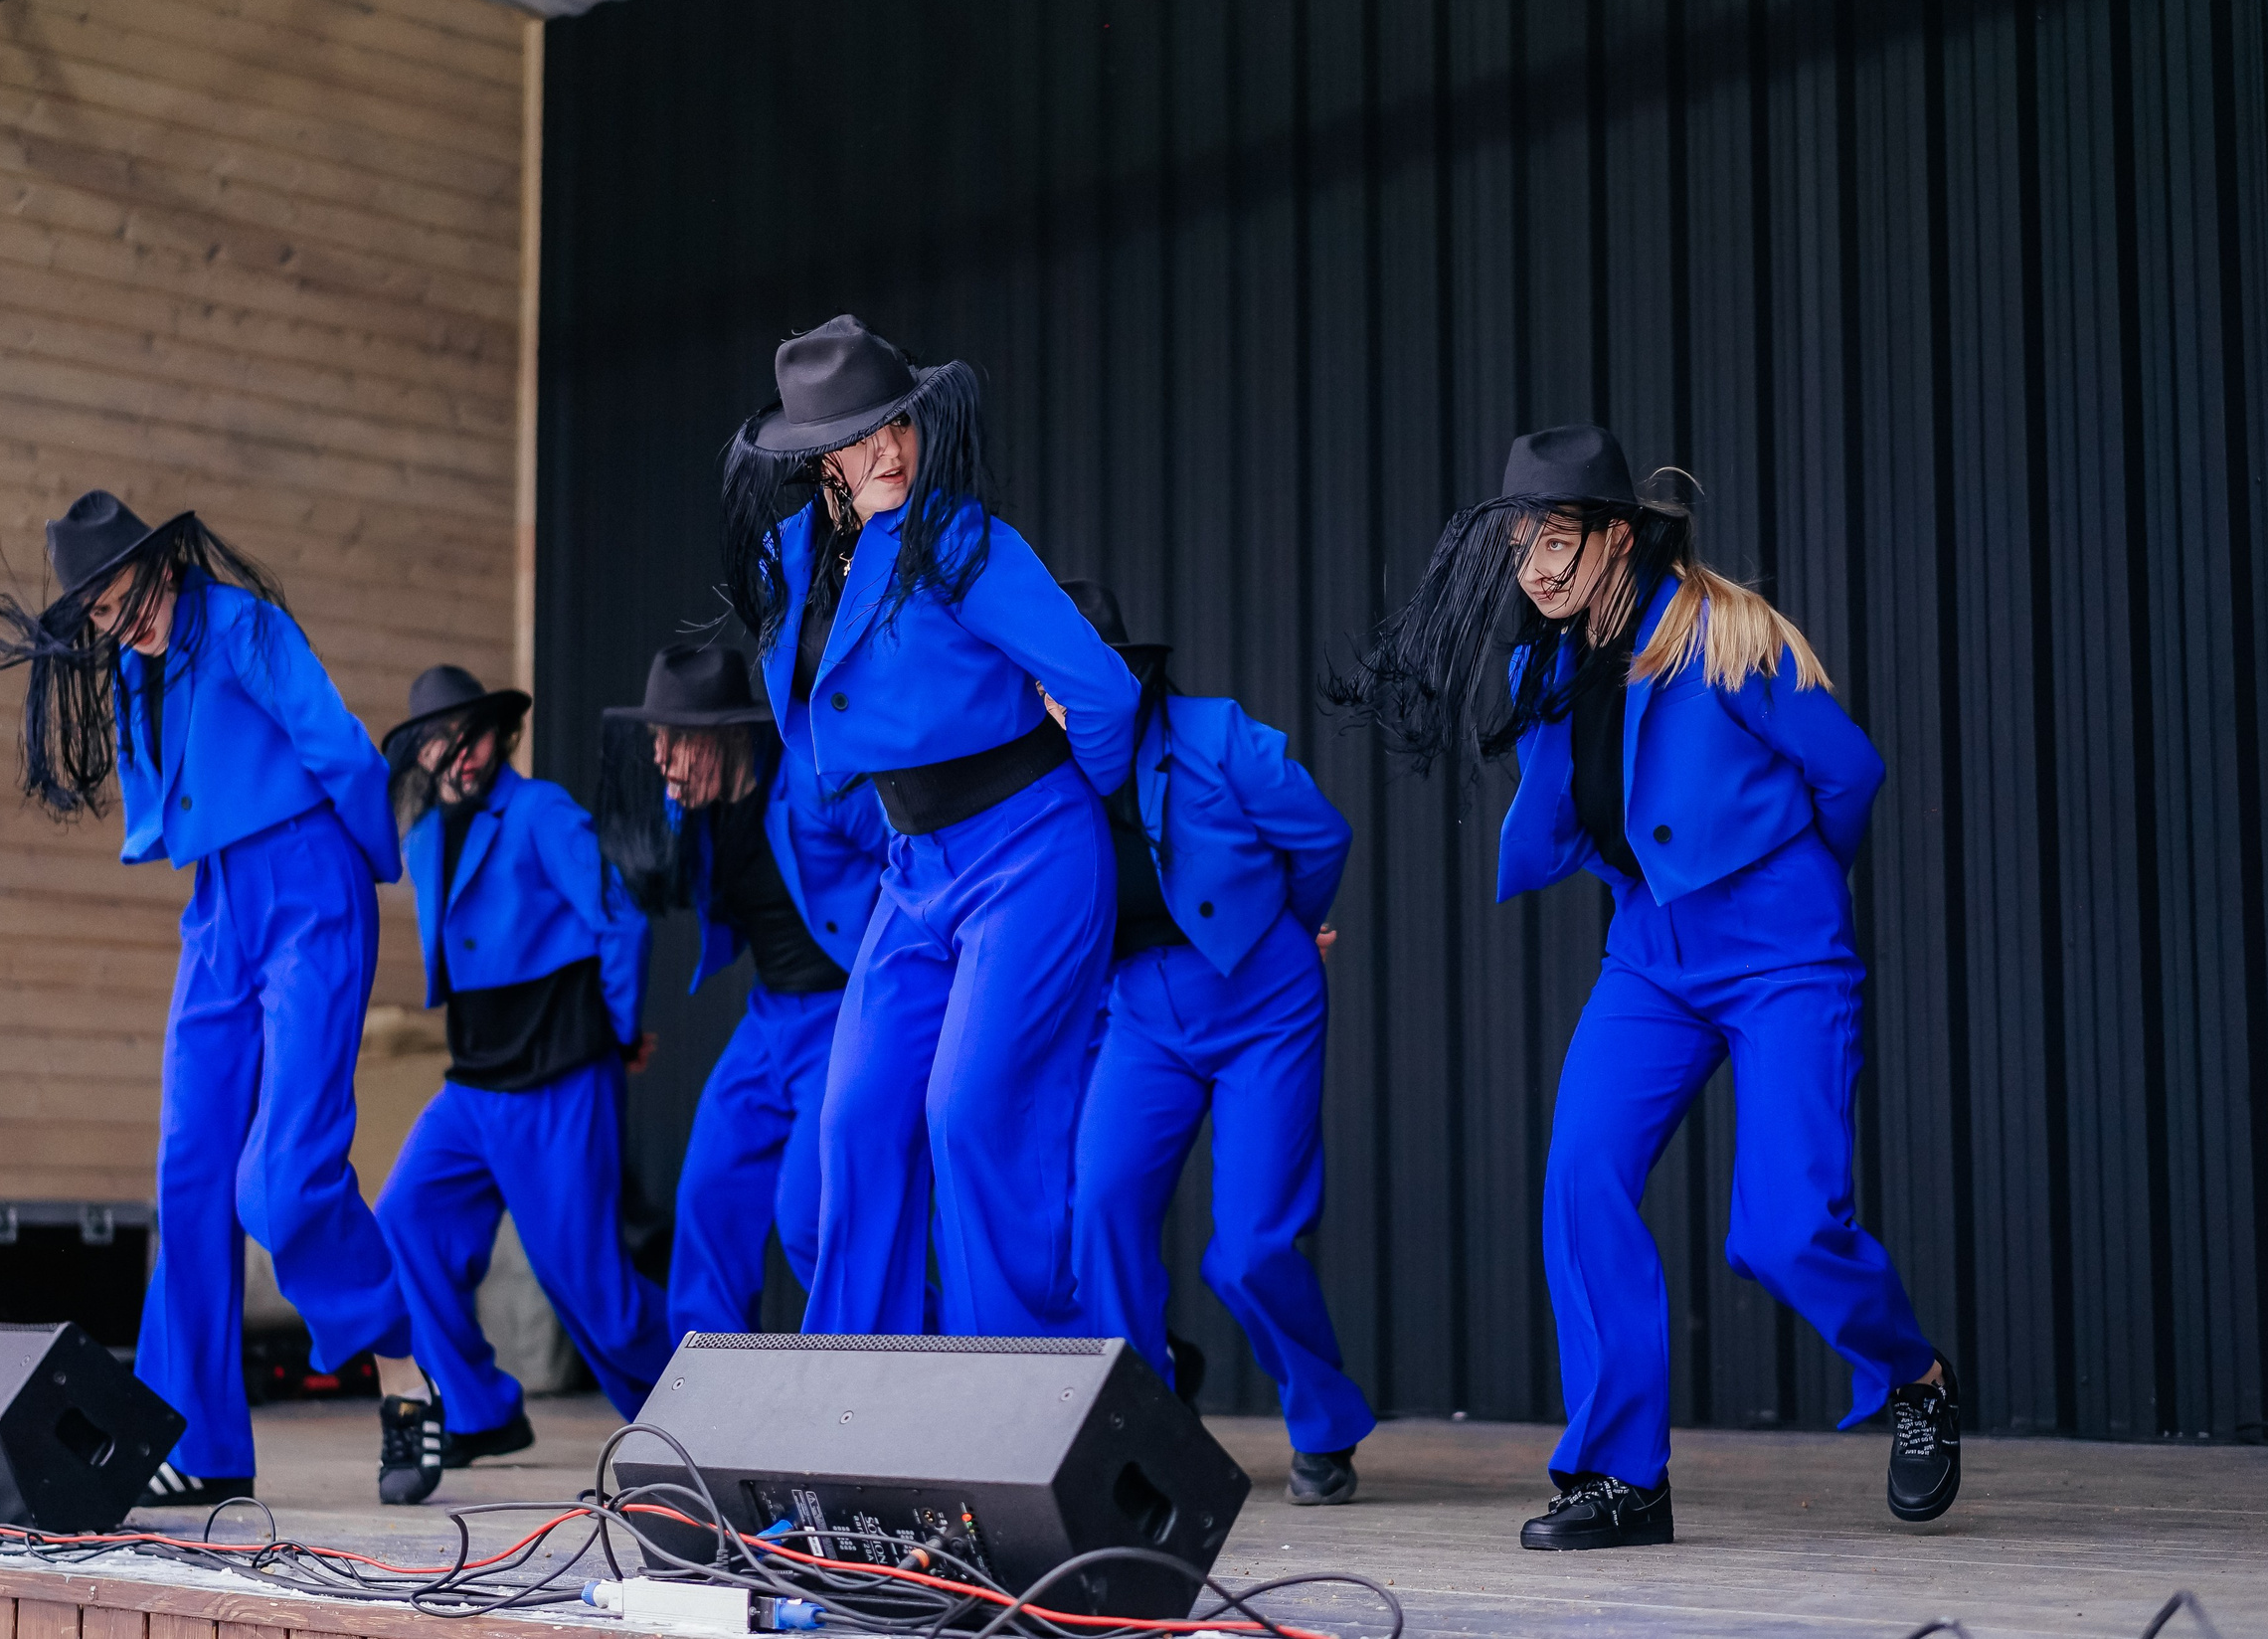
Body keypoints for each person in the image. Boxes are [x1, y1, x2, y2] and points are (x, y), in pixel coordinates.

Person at [1332, 425, 1960, 1548]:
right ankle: (1622, 1478)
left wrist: (1794, 890)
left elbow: (1848, 772)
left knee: (1781, 1232)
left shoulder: (1725, 637)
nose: (1532, 566)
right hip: (1649, 961)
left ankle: (1912, 1378)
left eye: (1557, 541)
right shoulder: (1549, 657)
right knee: (1580, 1177)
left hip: (1782, 959)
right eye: (1520, 541)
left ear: (1617, 538)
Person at [0, 490, 427, 1508]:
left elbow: (339, 746)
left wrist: (370, 868)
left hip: (310, 892)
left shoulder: (244, 623)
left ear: (160, 563)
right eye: (104, 618)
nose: (125, 625)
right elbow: (164, 794)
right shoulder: (132, 666)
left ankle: (404, 1370)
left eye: (126, 599)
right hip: (218, 912)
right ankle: (198, 1441)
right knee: (189, 1174)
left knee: (282, 1181)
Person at [721, 315, 1139, 1337]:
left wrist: (1068, 800)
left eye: (900, 424)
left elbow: (1105, 691)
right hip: (912, 871)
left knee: (970, 1117)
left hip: (1031, 848)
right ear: (821, 456)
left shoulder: (959, 538)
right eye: (864, 436)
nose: (893, 450)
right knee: (858, 1121)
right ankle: (853, 1410)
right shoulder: (785, 563)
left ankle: (1024, 1395)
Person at [1057, 582, 1376, 1506]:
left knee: (1248, 1247)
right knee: (1101, 1210)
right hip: (1141, 1016)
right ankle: (1141, 1427)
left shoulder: (1218, 734)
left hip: (1263, 1004)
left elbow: (1322, 836)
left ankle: (1323, 1422)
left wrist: (1281, 925)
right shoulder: (1048, 771)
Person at [371, 665, 671, 1503]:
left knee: (586, 1284)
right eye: (437, 743)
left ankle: (692, 1407)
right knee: (405, 1218)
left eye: (467, 738)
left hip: (557, 1079)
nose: (455, 756)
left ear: (498, 736)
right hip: (474, 1084)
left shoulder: (541, 813)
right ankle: (474, 1409)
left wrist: (615, 1031)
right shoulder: (426, 833)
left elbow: (622, 918)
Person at [597, 644, 891, 1342]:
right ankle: (706, 1400)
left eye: (675, 741)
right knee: (707, 1192)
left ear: (727, 734)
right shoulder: (692, 806)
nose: (660, 757)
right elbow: (621, 885)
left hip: (847, 1013)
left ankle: (926, 1360)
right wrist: (611, 1022)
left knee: (809, 1218)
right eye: (655, 738)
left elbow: (913, 857)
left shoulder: (818, 777)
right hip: (771, 1017)